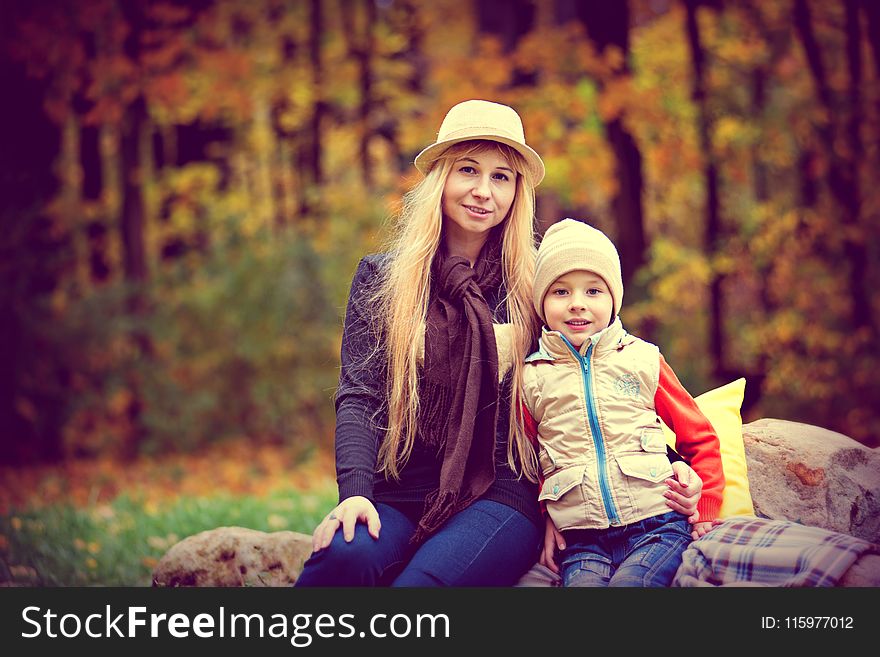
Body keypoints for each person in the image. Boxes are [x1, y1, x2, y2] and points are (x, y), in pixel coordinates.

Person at [295, 100, 703, 587]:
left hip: (503, 494)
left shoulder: (536, 285)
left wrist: (675, 467)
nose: (483, 192)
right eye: (468, 170)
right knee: (342, 560)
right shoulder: (383, 279)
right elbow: (358, 396)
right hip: (398, 490)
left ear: (517, 192)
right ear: (440, 179)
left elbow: (605, 375)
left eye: (502, 177)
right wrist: (356, 492)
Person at [522, 218, 725, 587]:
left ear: (614, 298)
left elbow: (700, 437)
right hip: (583, 541)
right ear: (542, 302)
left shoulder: (642, 360)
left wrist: (706, 505)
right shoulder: (531, 378)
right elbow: (528, 461)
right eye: (561, 292)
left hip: (658, 526)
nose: (577, 305)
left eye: (593, 291)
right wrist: (546, 513)